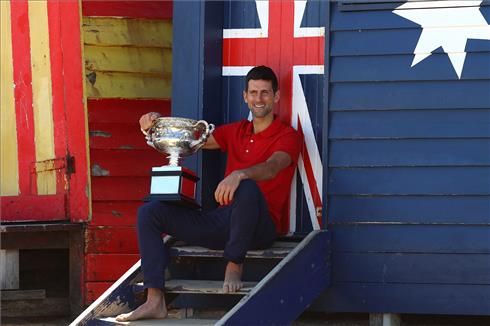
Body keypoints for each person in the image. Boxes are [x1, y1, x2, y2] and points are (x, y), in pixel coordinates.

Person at [116, 65, 301, 322]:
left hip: (261, 227)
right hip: (223, 222)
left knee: (246, 187)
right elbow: (191, 138)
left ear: (276, 97)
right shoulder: (236, 131)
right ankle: (155, 299)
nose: (259, 99)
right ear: (245, 96)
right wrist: (155, 125)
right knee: (150, 212)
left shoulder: (287, 135)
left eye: (265, 93)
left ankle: (234, 265)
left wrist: (240, 174)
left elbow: (272, 168)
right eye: (254, 93)